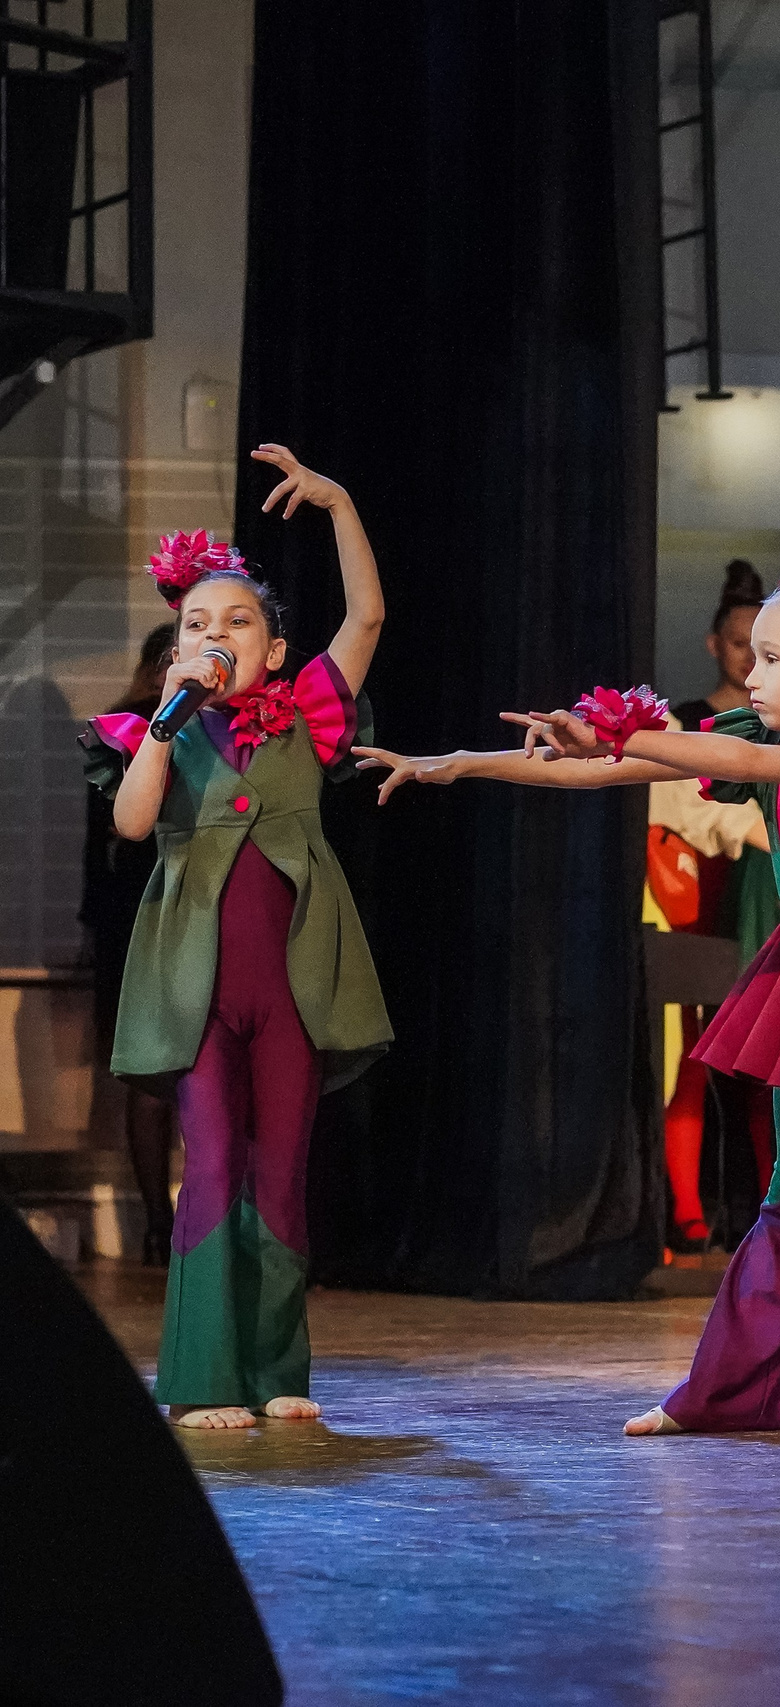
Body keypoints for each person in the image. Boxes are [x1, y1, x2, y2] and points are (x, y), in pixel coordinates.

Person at [356, 529, 780, 1453]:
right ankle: (730, 1392)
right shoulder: (766, 736)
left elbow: (747, 767)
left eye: (772, 657)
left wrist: (627, 729)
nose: (750, 672)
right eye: (752, 655)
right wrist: (463, 763)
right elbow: (613, 770)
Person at [77, 447, 394, 1429]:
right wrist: (164, 724)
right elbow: (133, 824)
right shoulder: (156, 734)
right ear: (175, 651)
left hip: (291, 984)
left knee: (280, 1169)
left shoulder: (311, 715)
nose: (214, 634)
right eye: (196, 625)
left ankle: (275, 1368)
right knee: (211, 1165)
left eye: (238, 621)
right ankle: (203, 1377)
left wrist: (339, 504)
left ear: (276, 651)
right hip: (199, 987)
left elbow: (367, 617)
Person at [657, 559, 776, 1250]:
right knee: (694, 1055)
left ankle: (762, 1206)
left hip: (760, 893)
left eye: (764, 646)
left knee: (761, 1059)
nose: (749, 659)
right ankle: (689, 1207)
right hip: (697, 898)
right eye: (738, 643)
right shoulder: (689, 723)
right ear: (713, 644)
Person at [81, 622, 180, 1265]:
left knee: (154, 1076)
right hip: (161, 907)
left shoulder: (119, 728)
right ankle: (179, 1226)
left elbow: (96, 853)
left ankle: (160, 1228)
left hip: (131, 915)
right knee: (179, 1072)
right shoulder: (141, 727)